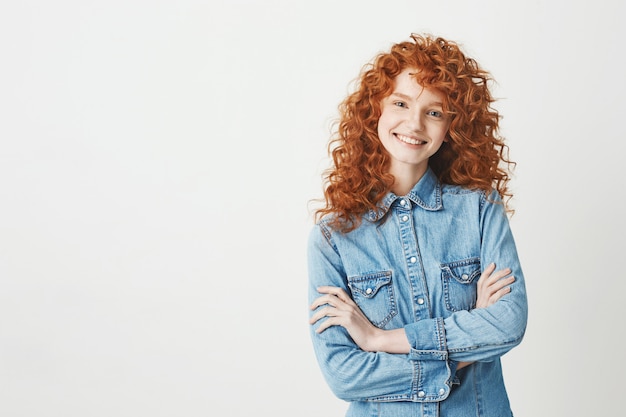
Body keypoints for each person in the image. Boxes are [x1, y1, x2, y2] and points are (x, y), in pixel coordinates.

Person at [307, 33, 528, 417]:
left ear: (451, 126)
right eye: (401, 103)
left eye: (435, 111)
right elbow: (344, 376)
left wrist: (381, 339)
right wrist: (463, 350)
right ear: (375, 109)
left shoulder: (479, 209)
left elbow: (508, 323)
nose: (415, 123)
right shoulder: (333, 237)